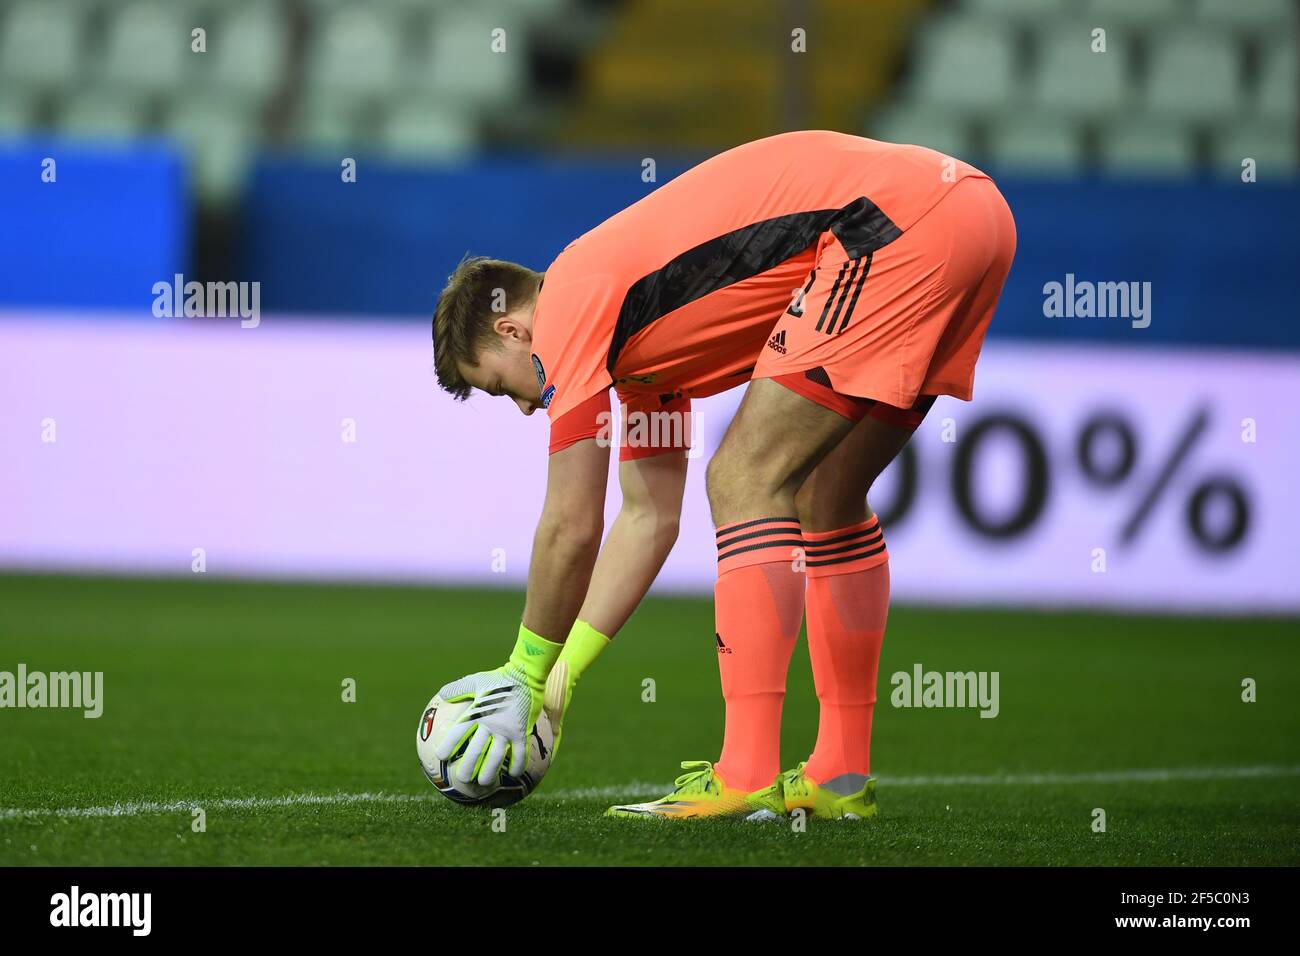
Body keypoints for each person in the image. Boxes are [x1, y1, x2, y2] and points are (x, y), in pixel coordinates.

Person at [429, 130, 1016, 820]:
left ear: (512, 333)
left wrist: (520, 671)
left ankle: (743, 774)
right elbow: (649, 519)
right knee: (827, 496)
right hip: (970, 217)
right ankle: (839, 778)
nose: (528, 407)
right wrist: (558, 679)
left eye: (504, 389)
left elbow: (571, 524)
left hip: (890, 224)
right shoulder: (637, 349)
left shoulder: (568, 308)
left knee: (743, 479)